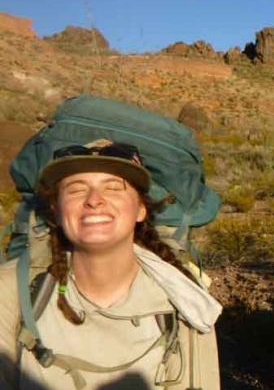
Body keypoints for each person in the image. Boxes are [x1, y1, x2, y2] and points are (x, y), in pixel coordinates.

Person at [0, 139, 222, 390]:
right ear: (57, 211)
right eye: (76, 189)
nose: (94, 200)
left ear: (141, 210)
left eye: (114, 188)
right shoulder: (12, 292)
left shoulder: (186, 302)